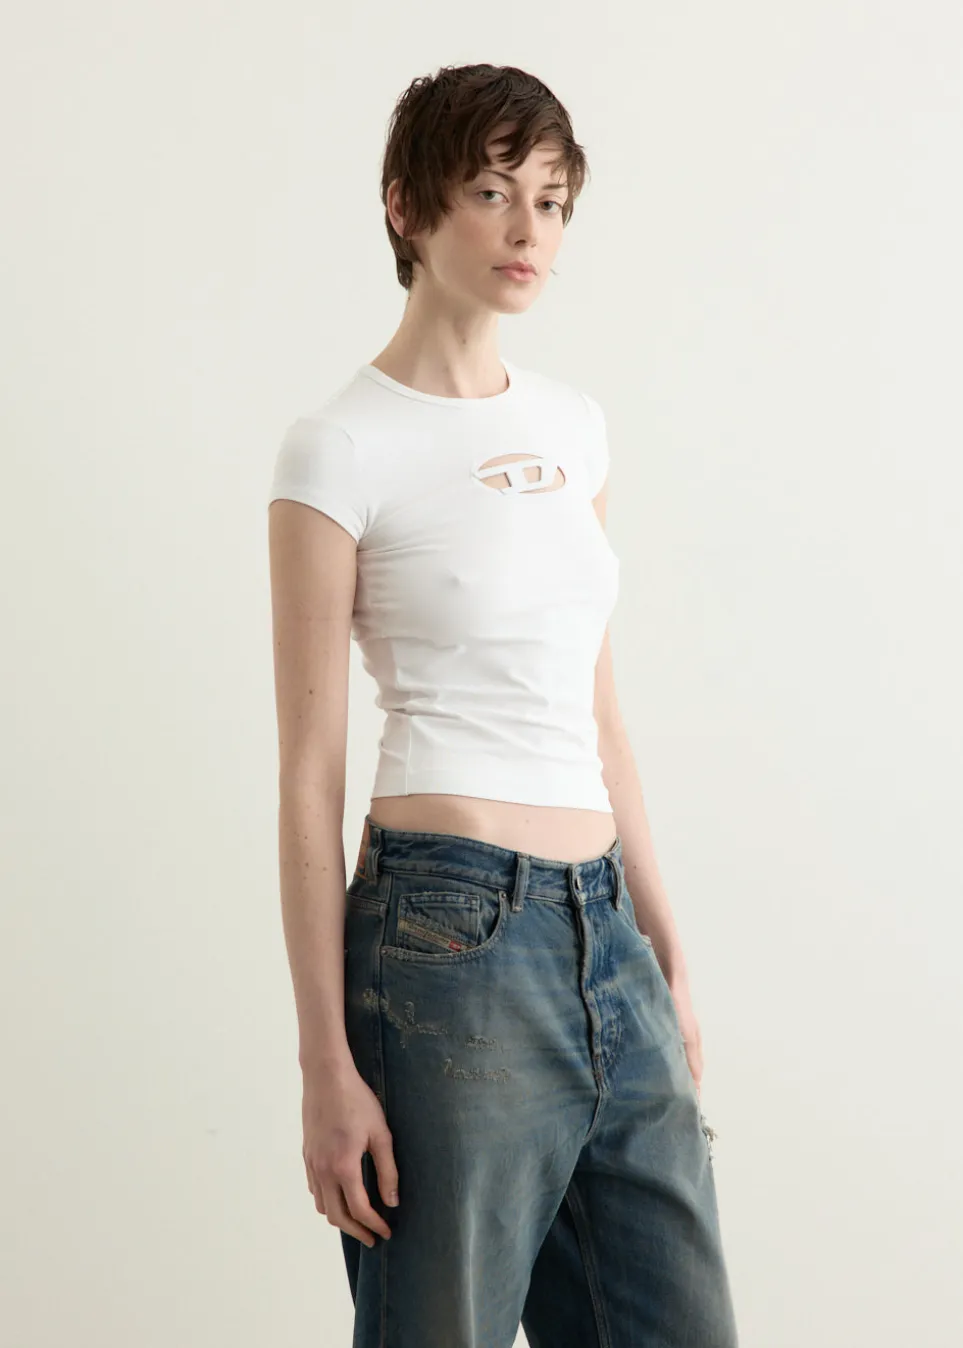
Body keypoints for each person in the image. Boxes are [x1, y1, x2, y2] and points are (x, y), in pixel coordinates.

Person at [267, 62, 739, 1348]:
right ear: (406, 205)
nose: (530, 228)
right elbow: (309, 772)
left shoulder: (575, 428)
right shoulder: (339, 446)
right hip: (446, 940)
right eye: (492, 191)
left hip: (608, 934)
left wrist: (663, 942)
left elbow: (598, 708)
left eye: (553, 198)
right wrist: (325, 1065)